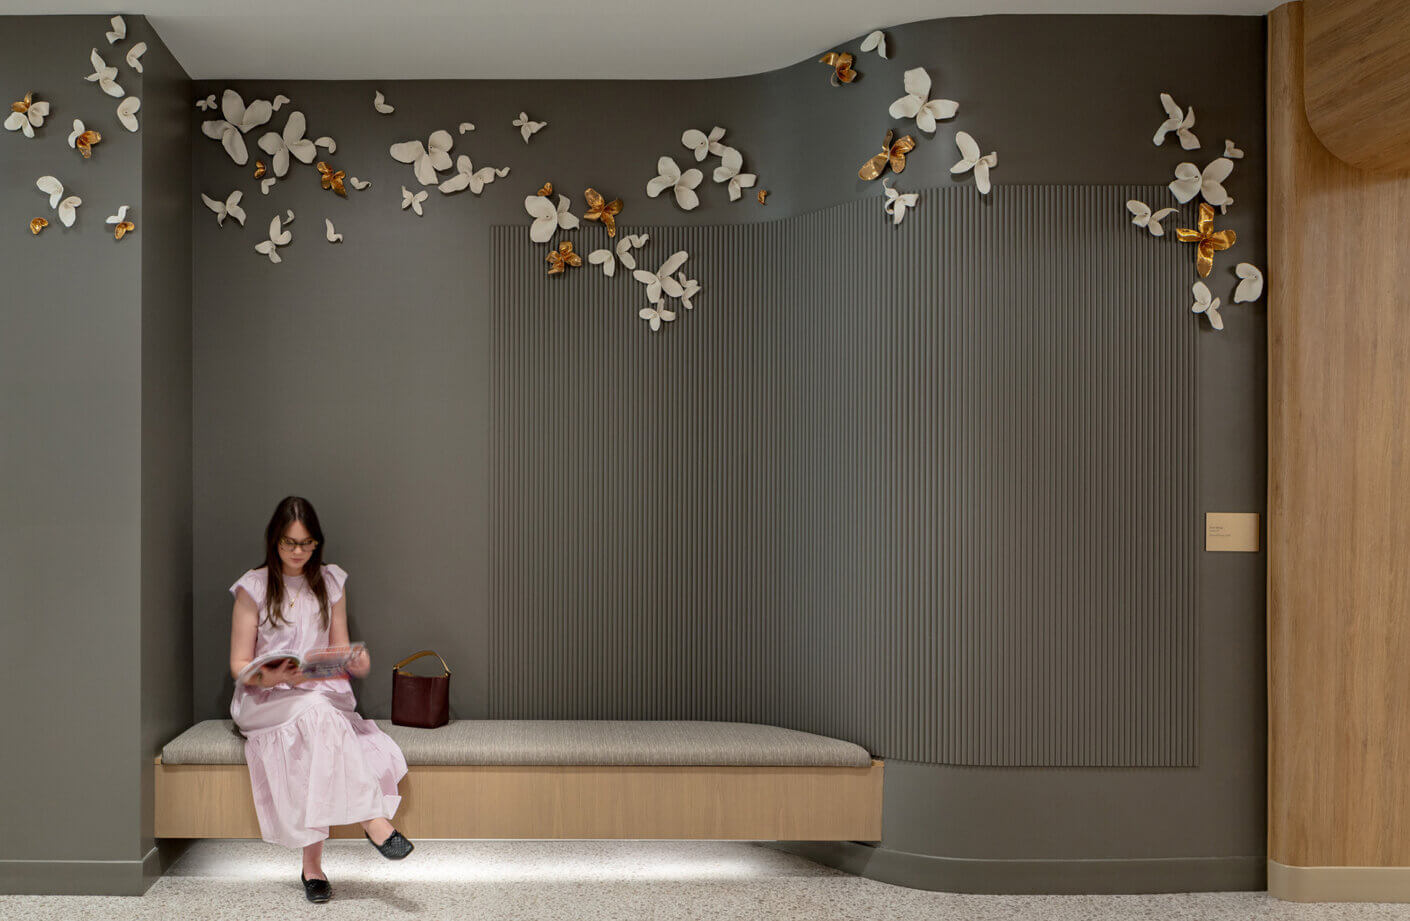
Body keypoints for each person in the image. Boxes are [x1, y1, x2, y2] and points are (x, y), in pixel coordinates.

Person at [228, 495, 414, 903]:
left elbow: (338, 651)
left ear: (318, 543)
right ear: (274, 540)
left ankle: (312, 869)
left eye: (307, 543)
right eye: (290, 543)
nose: (299, 552)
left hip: (316, 692)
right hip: (265, 699)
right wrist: (273, 673)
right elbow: (238, 664)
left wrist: (353, 661)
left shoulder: (331, 582)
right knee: (317, 713)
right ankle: (373, 822)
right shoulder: (253, 587)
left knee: (318, 716)